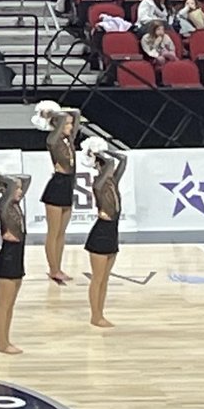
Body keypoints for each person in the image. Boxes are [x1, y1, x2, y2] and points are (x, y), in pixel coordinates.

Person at [79, 138, 128, 329]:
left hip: (112, 231)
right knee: (98, 278)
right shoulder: (99, 183)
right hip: (101, 232)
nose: (111, 166)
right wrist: (95, 154)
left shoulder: (113, 180)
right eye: (106, 165)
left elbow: (122, 159)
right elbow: (109, 164)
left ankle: (101, 313)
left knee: (105, 279)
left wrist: (104, 150)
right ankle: (95, 315)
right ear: (100, 167)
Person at [0, 168, 32, 355]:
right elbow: (13, 184)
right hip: (8, 256)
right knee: (4, 303)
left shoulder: (15, 204)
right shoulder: (3, 205)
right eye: (16, 188)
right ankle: (2, 343)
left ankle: (6, 339)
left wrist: (10, 181)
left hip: (18, 256)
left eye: (20, 189)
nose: (20, 191)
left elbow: (27, 178)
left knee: (11, 303)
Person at [31, 100, 81, 285]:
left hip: (68, 185)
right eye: (66, 123)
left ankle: (58, 267)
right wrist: (50, 115)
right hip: (57, 186)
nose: (70, 125)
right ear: (57, 124)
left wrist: (58, 111)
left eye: (69, 123)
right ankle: (52, 269)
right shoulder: (53, 139)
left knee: (62, 232)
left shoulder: (69, 140)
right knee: (53, 232)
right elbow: (63, 123)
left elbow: (76, 112)